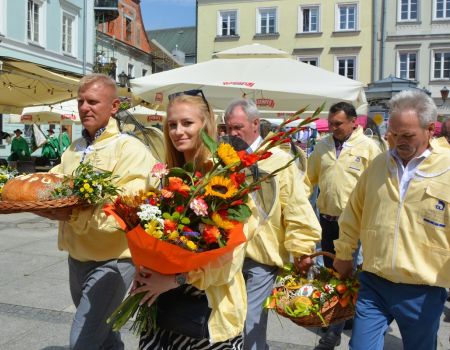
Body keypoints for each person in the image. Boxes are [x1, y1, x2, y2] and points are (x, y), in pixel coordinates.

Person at [41, 73, 158, 349]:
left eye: (93, 101)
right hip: (77, 258)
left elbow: (127, 208)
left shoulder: (129, 148)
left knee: (82, 340)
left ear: (114, 106)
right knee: (105, 337)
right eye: (80, 101)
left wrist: (71, 214)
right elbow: (53, 185)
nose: (84, 108)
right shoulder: (74, 147)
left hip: (113, 261)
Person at [134, 91, 258, 349]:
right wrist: (144, 267)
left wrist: (176, 279)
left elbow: (230, 260)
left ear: (206, 125)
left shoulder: (227, 180)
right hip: (162, 309)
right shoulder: (163, 176)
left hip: (209, 313)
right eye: (172, 125)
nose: (178, 131)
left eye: (187, 123)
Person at [333, 90, 449, 350]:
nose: (398, 141)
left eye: (407, 135)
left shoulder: (448, 169)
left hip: (423, 289)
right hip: (374, 282)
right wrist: (343, 252)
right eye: (393, 134)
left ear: (430, 129)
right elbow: (353, 211)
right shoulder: (377, 165)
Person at [224, 99, 322, 350]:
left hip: (262, 258)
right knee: (228, 322)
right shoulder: (224, 158)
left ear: (256, 124)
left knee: (250, 322)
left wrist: (302, 248)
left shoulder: (278, 160)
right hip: (226, 254)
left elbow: (296, 207)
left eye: (238, 127)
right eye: (228, 128)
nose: (232, 133)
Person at [307, 102, 381, 349]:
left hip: (355, 224)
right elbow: (309, 179)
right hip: (327, 220)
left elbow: (380, 187)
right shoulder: (323, 146)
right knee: (331, 272)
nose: (333, 128)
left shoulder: (369, 148)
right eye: (331, 124)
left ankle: (333, 332)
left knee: (346, 274)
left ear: (353, 122)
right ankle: (341, 316)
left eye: (338, 124)